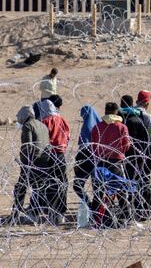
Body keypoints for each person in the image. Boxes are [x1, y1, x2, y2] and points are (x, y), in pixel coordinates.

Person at [9, 106, 50, 225]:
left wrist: (26, 163)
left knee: (20, 189)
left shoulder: (28, 126)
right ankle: (35, 214)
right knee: (38, 189)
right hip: (44, 161)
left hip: (31, 163)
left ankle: (15, 215)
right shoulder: (42, 125)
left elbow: (28, 146)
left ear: (25, 115)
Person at [40, 95, 70, 224]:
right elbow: (68, 135)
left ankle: (51, 212)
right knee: (62, 183)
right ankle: (61, 213)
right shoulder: (62, 120)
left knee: (51, 184)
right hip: (61, 155)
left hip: (50, 155)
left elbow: (42, 139)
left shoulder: (45, 121)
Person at [73, 105, 101, 206]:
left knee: (77, 185)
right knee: (97, 187)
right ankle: (95, 207)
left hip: (85, 159)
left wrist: (77, 163)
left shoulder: (86, 127)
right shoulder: (100, 125)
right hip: (98, 159)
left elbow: (83, 146)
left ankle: (88, 204)